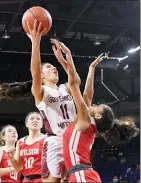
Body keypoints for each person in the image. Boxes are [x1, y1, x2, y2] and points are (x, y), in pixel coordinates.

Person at [0, 20, 80, 183]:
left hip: (74, 138)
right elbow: (34, 72)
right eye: (49, 67)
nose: (54, 69)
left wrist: (66, 58)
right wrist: (36, 44)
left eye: (55, 68)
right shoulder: (41, 92)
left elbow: (76, 81)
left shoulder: (64, 87)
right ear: (41, 75)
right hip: (55, 141)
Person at [54, 41, 139, 182]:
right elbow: (87, 95)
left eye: (97, 105)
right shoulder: (87, 121)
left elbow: (73, 84)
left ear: (98, 115)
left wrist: (68, 56)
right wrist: (92, 68)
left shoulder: (85, 120)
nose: (93, 104)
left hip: (82, 175)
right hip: (82, 174)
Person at [6, 112, 44, 183]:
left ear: (42, 124)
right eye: (32, 118)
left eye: (38, 119)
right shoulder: (20, 142)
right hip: (26, 179)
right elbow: (18, 168)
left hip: (43, 178)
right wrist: (11, 158)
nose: (35, 120)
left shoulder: (46, 139)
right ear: (26, 124)